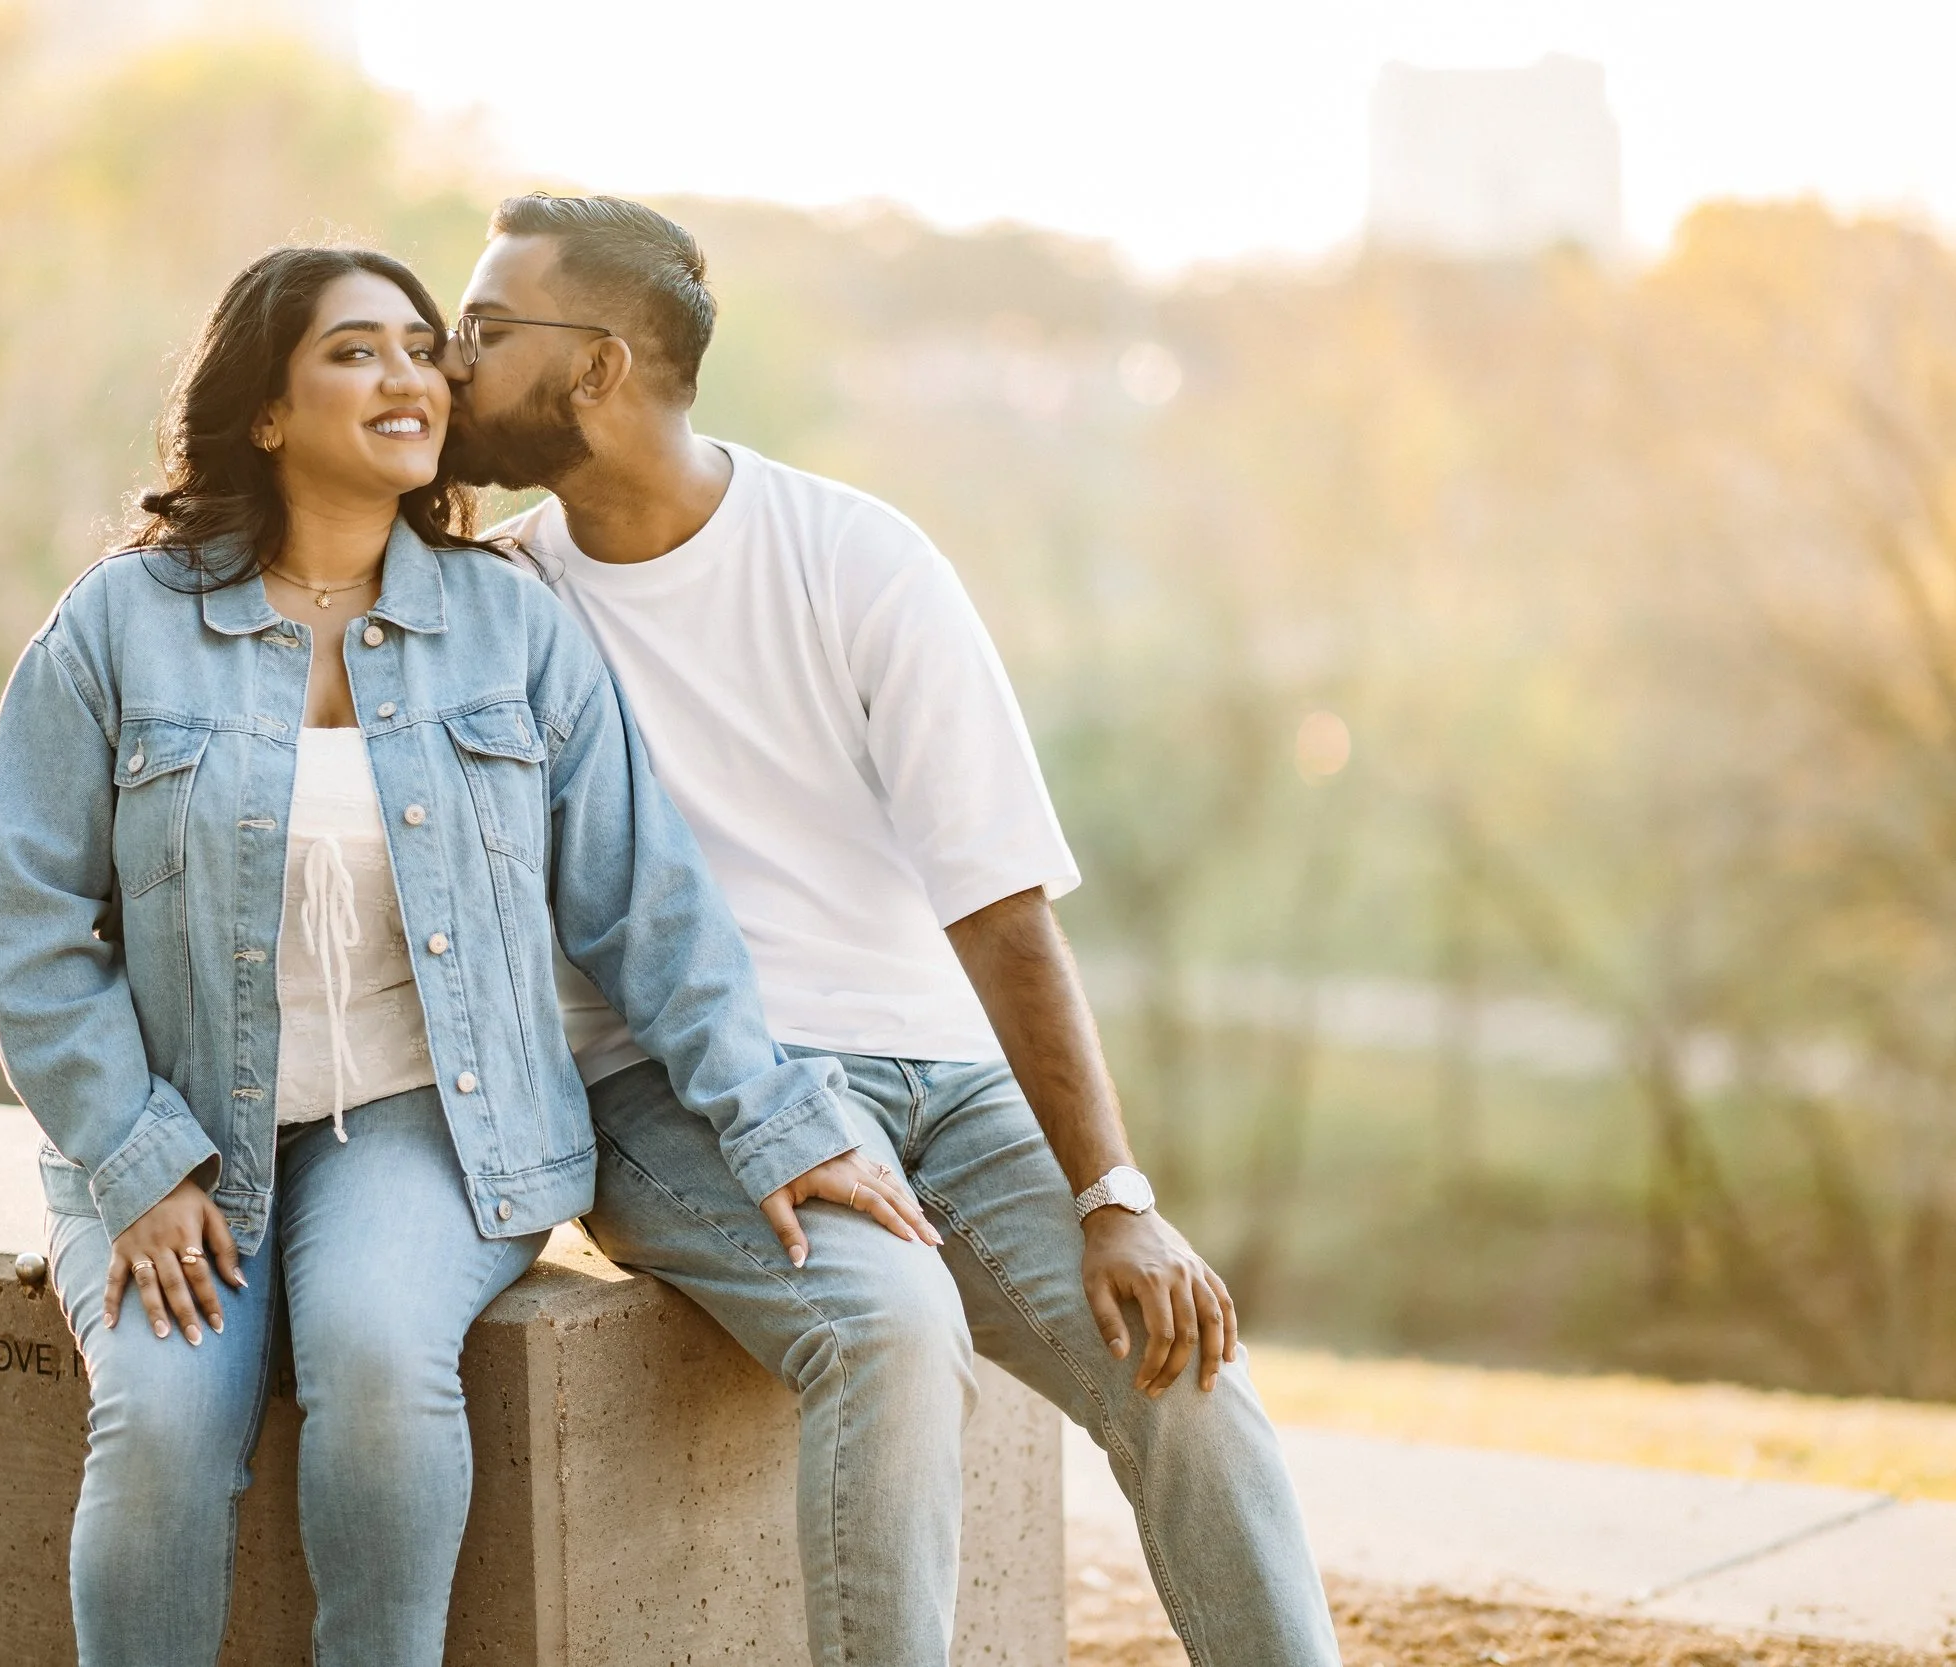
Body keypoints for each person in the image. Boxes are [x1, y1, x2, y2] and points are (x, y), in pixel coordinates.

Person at [0, 244, 926, 1667]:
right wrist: (136, 1164)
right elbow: (35, 926)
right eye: (356, 351)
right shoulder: (119, 627)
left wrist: (778, 1121)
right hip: (176, 1129)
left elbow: (643, 903)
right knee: (165, 1422)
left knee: (376, 1352)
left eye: (424, 348)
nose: (410, 376)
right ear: (266, 411)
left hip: (433, 1121)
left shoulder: (512, 626)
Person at [440, 194, 1345, 1667]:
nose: (448, 361)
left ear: (598, 368)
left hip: (945, 1085)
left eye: (484, 331)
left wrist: (1114, 1190)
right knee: (889, 1325)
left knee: (1181, 1362)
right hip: (676, 1096)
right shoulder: (507, 603)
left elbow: (1000, 907)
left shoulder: (858, 558)